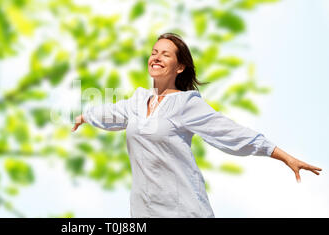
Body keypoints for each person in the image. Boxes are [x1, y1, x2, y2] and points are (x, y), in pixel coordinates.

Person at [71, 32, 322, 218]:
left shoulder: (185, 104)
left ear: (179, 67)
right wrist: (84, 116)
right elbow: (109, 113)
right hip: (143, 212)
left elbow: (230, 132)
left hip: (184, 210)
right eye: (154, 52)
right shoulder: (137, 102)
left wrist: (283, 156)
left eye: (165, 54)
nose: (156, 57)